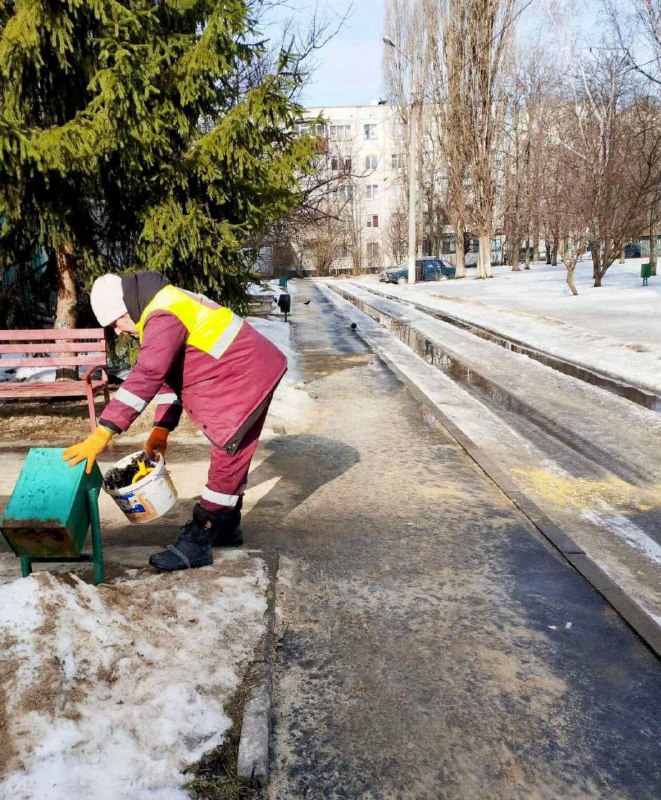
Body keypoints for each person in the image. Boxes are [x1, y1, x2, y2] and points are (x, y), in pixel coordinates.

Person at [63, 271, 287, 571]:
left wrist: (103, 431)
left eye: (115, 323)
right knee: (230, 450)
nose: (117, 332)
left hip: (245, 379)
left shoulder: (163, 315)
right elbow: (171, 378)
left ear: (126, 309)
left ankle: (200, 538)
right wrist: (161, 428)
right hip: (246, 372)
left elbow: (146, 376)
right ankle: (227, 525)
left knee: (227, 451)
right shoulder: (163, 306)